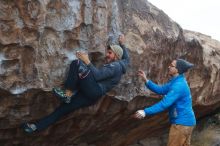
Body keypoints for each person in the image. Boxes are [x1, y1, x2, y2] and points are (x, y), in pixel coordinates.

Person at [22, 34, 129, 133]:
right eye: (108, 52)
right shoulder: (122, 64)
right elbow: (127, 59)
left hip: (94, 89)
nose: (107, 55)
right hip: (91, 97)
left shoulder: (115, 66)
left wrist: (87, 61)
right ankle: (35, 127)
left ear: (117, 56)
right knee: (63, 109)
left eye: (110, 53)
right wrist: (122, 44)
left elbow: (98, 76)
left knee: (77, 63)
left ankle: (67, 94)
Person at [134, 59, 196, 146]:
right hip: (187, 122)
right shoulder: (176, 81)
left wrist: (145, 111)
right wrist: (146, 81)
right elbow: (161, 90)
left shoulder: (178, 86)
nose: (168, 67)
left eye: (171, 66)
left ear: (177, 70)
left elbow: (164, 104)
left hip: (181, 124)